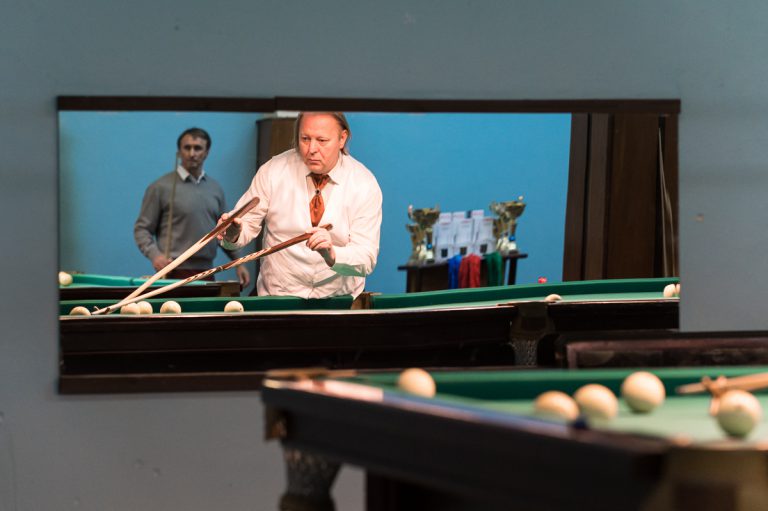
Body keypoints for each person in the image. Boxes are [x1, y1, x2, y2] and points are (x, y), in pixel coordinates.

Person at [219, 112, 382, 298]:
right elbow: (243, 227)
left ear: (342, 139)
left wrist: (332, 254)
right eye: (305, 139)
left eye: (321, 140)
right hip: (277, 298)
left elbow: (366, 259)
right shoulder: (273, 171)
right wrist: (232, 235)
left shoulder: (364, 183)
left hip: (338, 302)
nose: (311, 149)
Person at [134, 127, 250, 287]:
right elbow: (142, 229)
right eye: (187, 147)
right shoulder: (161, 187)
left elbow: (224, 229)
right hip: (171, 273)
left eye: (198, 148)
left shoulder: (215, 189)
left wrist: (238, 262)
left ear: (206, 152)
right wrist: (155, 256)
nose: (192, 153)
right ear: (179, 152)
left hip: (207, 273)